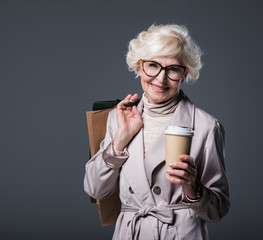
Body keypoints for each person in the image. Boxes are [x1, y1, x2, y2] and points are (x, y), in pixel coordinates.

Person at [84, 24, 230, 240]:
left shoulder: (206, 126)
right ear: (139, 67)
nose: (161, 79)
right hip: (130, 233)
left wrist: (193, 188)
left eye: (173, 69)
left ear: (184, 74)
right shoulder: (118, 117)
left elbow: (218, 209)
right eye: (153, 65)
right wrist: (120, 140)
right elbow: (95, 190)